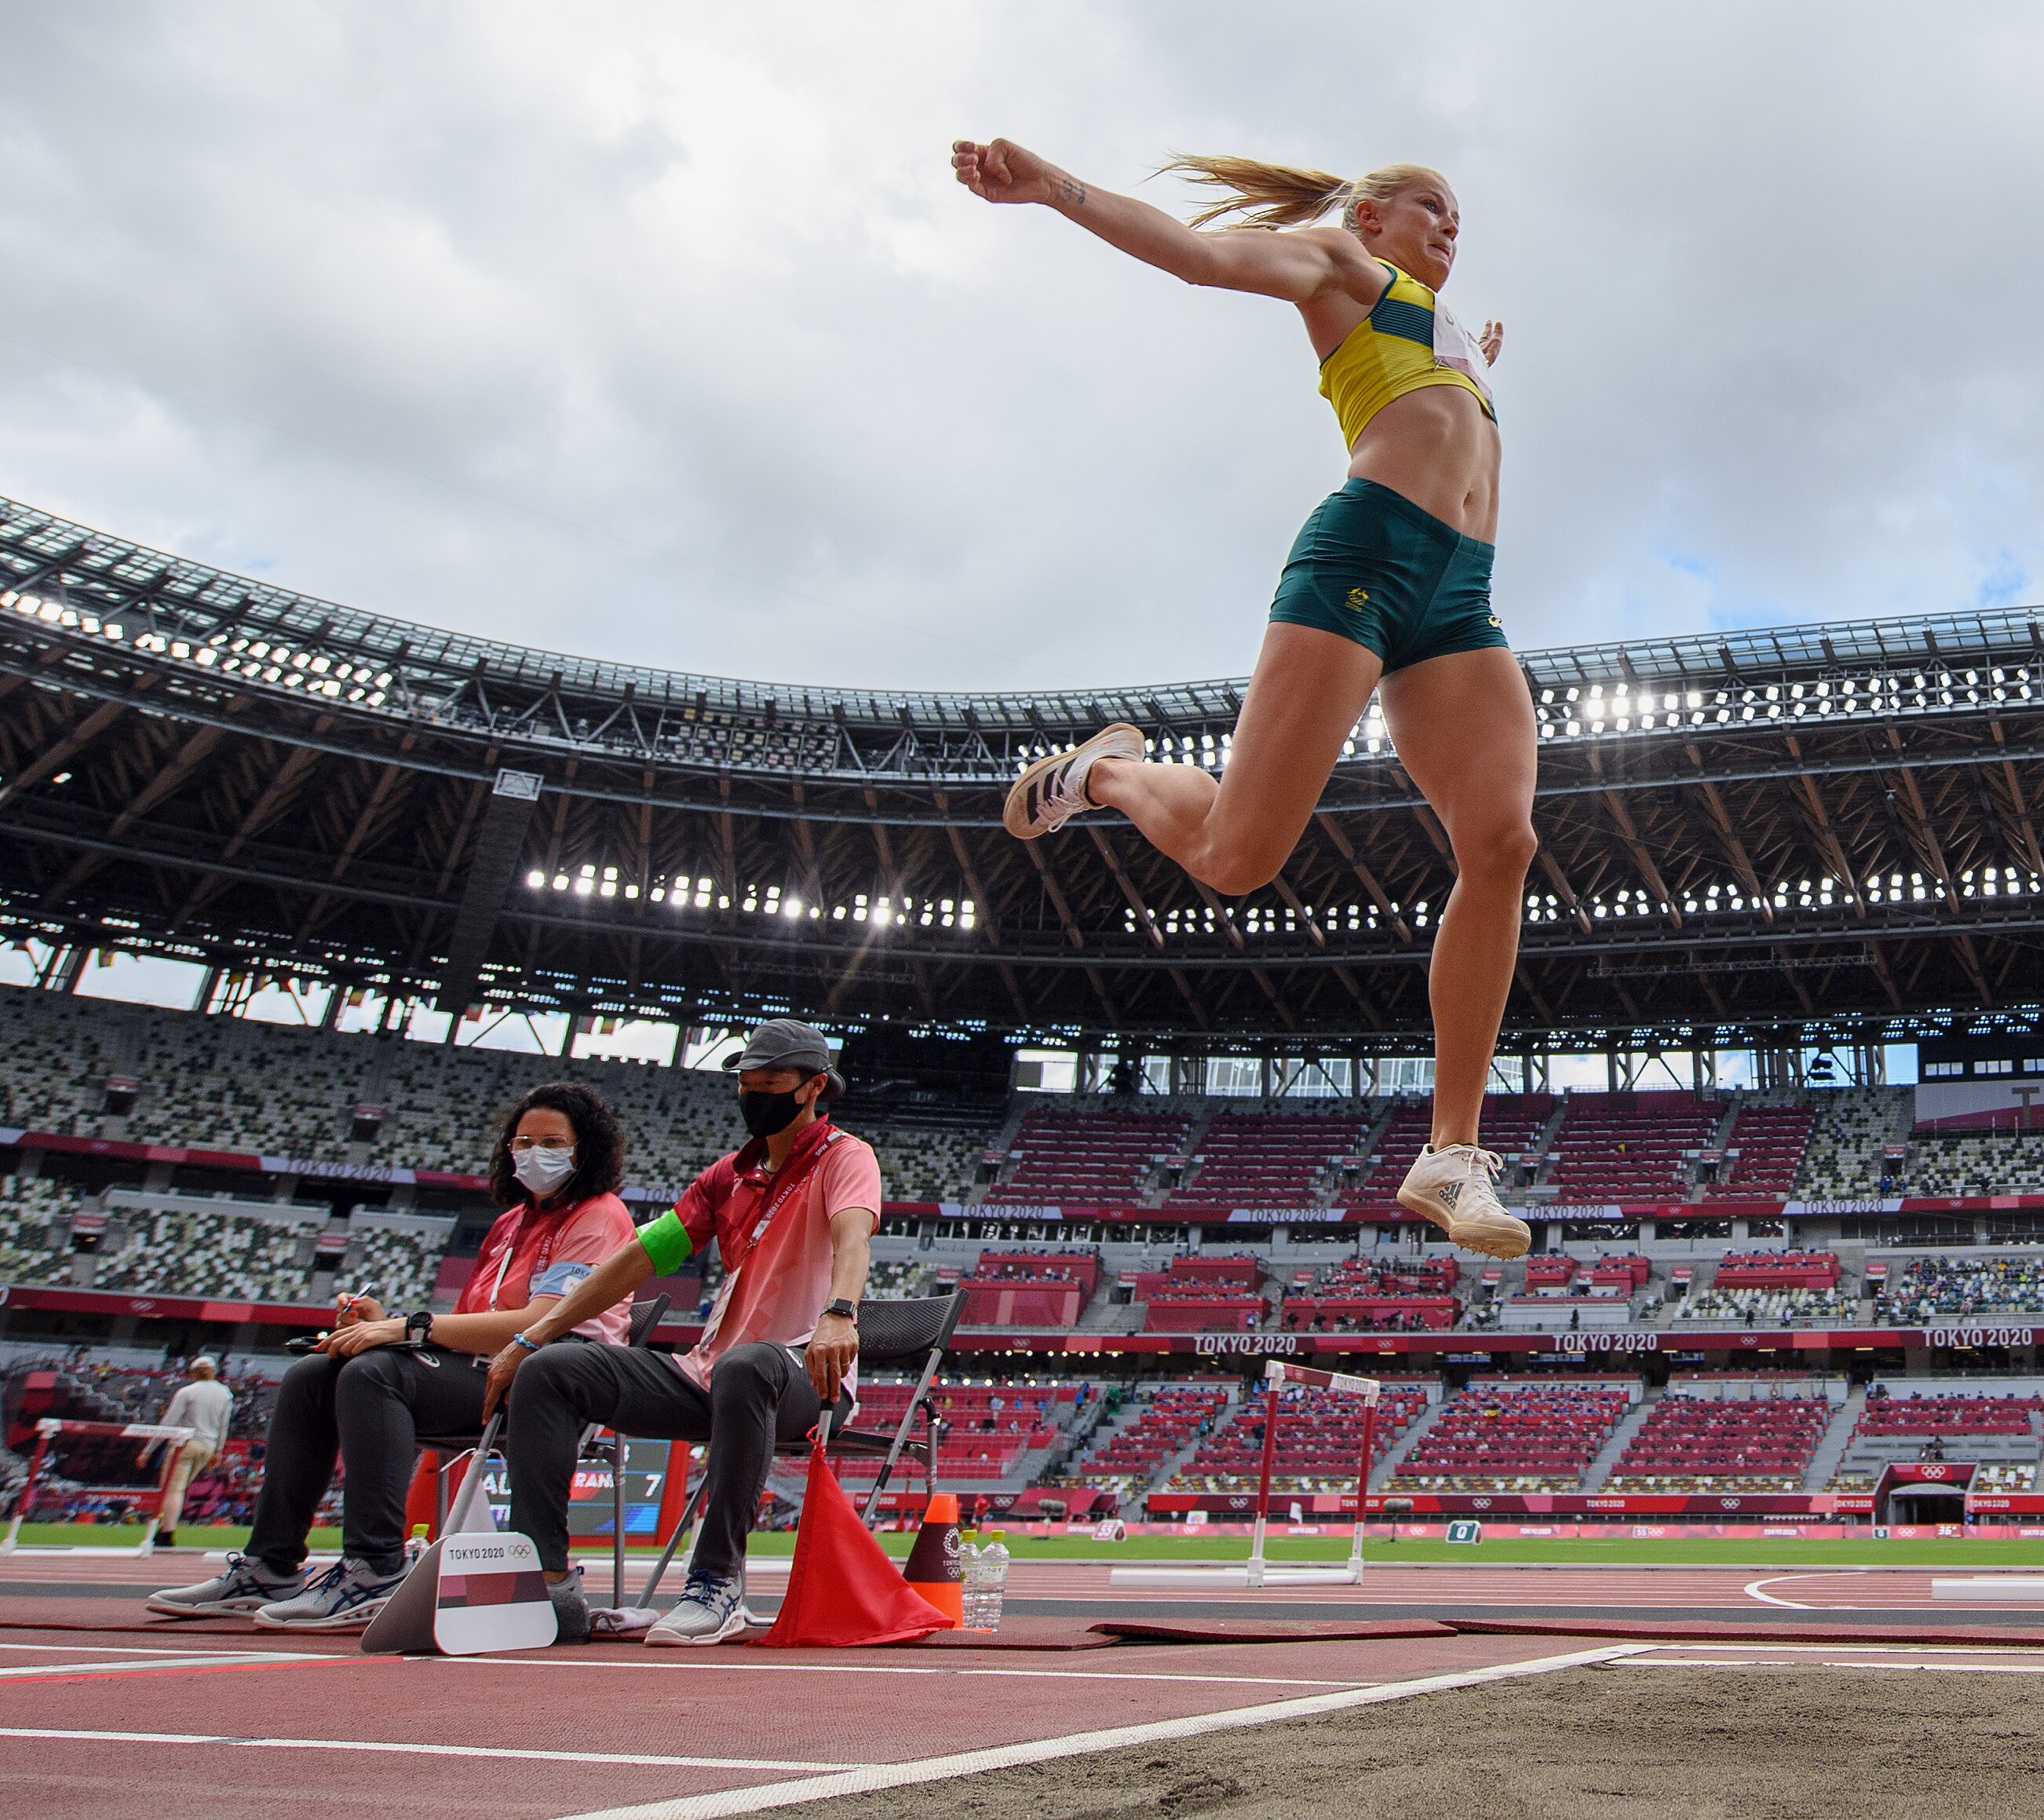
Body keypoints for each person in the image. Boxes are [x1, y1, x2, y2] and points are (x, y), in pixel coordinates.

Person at [955, 138, 1533, 1264]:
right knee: (1234, 856)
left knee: (1503, 841)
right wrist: (1055, 190)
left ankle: (1450, 1150)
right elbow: (1198, 256)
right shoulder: (1338, 263)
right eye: (1431, 205)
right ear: (1369, 218)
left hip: (1461, 597)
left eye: (1461, 214)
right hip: (1366, 555)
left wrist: (1481, 356)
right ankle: (1107, 771)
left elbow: (1446, 390)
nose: (1451, 224)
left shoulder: (1446, 332)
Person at [148, 1083, 637, 1628]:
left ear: (585, 1149)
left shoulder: (600, 1215)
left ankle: (375, 1566)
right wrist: (384, 1324)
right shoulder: (508, 1225)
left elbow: (536, 1324)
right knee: (314, 1373)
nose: (532, 1153)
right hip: (483, 1376)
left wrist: (405, 1330)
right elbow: (469, 1323)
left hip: (549, 1381)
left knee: (375, 1373)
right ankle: (271, 1564)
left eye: (551, 1142)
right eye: (522, 1141)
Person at [484, 1020, 878, 1646]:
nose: (754, 1095)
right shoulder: (727, 1176)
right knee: (551, 1370)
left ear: (814, 1087)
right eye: (745, 1083)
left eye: (770, 1083)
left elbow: (852, 1234)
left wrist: (840, 1311)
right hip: (709, 1373)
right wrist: (533, 1337)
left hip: (802, 1373)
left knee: (746, 1365)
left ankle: (716, 1583)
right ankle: (547, 1582)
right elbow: (638, 1259)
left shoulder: (845, 1156)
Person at [138, 1355, 233, 1549]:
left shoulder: (187, 1392)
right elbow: (224, 1426)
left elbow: (168, 1423)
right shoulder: (225, 1394)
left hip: (186, 1443)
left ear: (193, 1373)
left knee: (173, 1490)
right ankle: (165, 1528)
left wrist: (148, 1450)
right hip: (208, 1446)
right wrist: (218, 1451)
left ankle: (167, 1533)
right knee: (179, 1490)